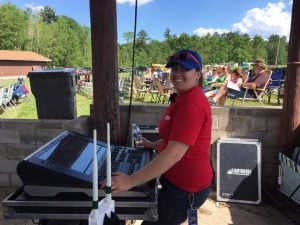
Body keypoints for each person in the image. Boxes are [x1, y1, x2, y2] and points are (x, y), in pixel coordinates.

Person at [103, 49, 213, 225]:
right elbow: (175, 137)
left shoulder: (193, 103)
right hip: (176, 182)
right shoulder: (183, 98)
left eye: (184, 69)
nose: (177, 73)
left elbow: (174, 154)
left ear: (198, 74)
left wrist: (130, 180)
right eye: (174, 69)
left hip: (186, 188)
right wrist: (152, 145)